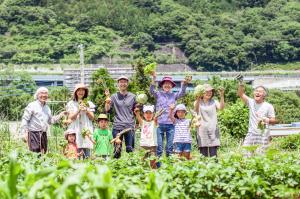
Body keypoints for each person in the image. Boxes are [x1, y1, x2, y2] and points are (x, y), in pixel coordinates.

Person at [150, 72, 191, 157]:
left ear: (172, 86)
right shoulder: (158, 94)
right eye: (165, 84)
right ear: (162, 85)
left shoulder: (174, 95)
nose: (167, 85)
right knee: (159, 147)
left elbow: (182, 93)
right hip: (159, 124)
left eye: (169, 84)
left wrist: (184, 84)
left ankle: (169, 166)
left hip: (171, 124)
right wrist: (154, 78)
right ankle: (158, 166)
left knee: (169, 147)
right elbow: (151, 90)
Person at [20, 87, 66, 154]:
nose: (44, 95)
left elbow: (50, 121)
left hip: (43, 134)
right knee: (34, 153)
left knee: (43, 153)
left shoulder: (47, 108)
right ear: (37, 95)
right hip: (33, 133)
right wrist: (23, 133)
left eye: (46, 93)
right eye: (42, 93)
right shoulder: (32, 105)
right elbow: (25, 119)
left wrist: (60, 115)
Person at [238, 80, 276, 151]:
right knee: (245, 153)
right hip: (251, 134)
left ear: (264, 95)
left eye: (260, 91)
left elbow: (273, 121)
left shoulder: (268, 106)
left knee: (260, 156)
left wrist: (266, 120)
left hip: (263, 135)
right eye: (256, 91)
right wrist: (241, 83)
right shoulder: (251, 102)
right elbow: (241, 94)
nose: (257, 92)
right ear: (253, 93)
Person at [105, 75, 136, 159]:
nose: (123, 83)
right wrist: (107, 100)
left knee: (130, 150)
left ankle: (131, 168)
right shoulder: (113, 96)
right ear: (118, 84)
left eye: (125, 82)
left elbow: (136, 111)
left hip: (129, 126)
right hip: (117, 126)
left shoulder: (133, 96)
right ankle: (116, 168)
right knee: (117, 150)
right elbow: (107, 110)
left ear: (127, 84)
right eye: (121, 82)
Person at [194, 84, 224, 157]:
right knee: (203, 154)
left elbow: (221, 108)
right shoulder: (197, 102)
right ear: (202, 93)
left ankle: (214, 168)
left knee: (213, 154)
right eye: (206, 91)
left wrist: (222, 96)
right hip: (202, 130)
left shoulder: (214, 101)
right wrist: (198, 98)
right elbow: (196, 110)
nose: (209, 93)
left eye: (210, 91)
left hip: (213, 129)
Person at [66, 83, 95, 159]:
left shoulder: (89, 103)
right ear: (75, 92)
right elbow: (71, 117)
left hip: (86, 128)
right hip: (76, 128)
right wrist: (78, 110)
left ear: (85, 92)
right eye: (79, 90)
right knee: (75, 150)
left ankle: (87, 166)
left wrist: (86, 110)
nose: (81, 92)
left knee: (87, 150)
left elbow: (92, 118)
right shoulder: (71, 104)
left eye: (83, 90)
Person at [134, 105, 159, 169]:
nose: (148, 115)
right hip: (143, 146)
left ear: (153, 114)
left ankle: (154, 175)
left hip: (152, 146)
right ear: (144, 114)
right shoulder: (142, 122)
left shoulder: (154, 122)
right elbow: (138, 116)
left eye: (150, 113)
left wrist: (156, 117)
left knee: (153, 162)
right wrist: (137, 113)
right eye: (146, 113)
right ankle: (143, 174)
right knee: (142, 161)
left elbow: (156, 120)